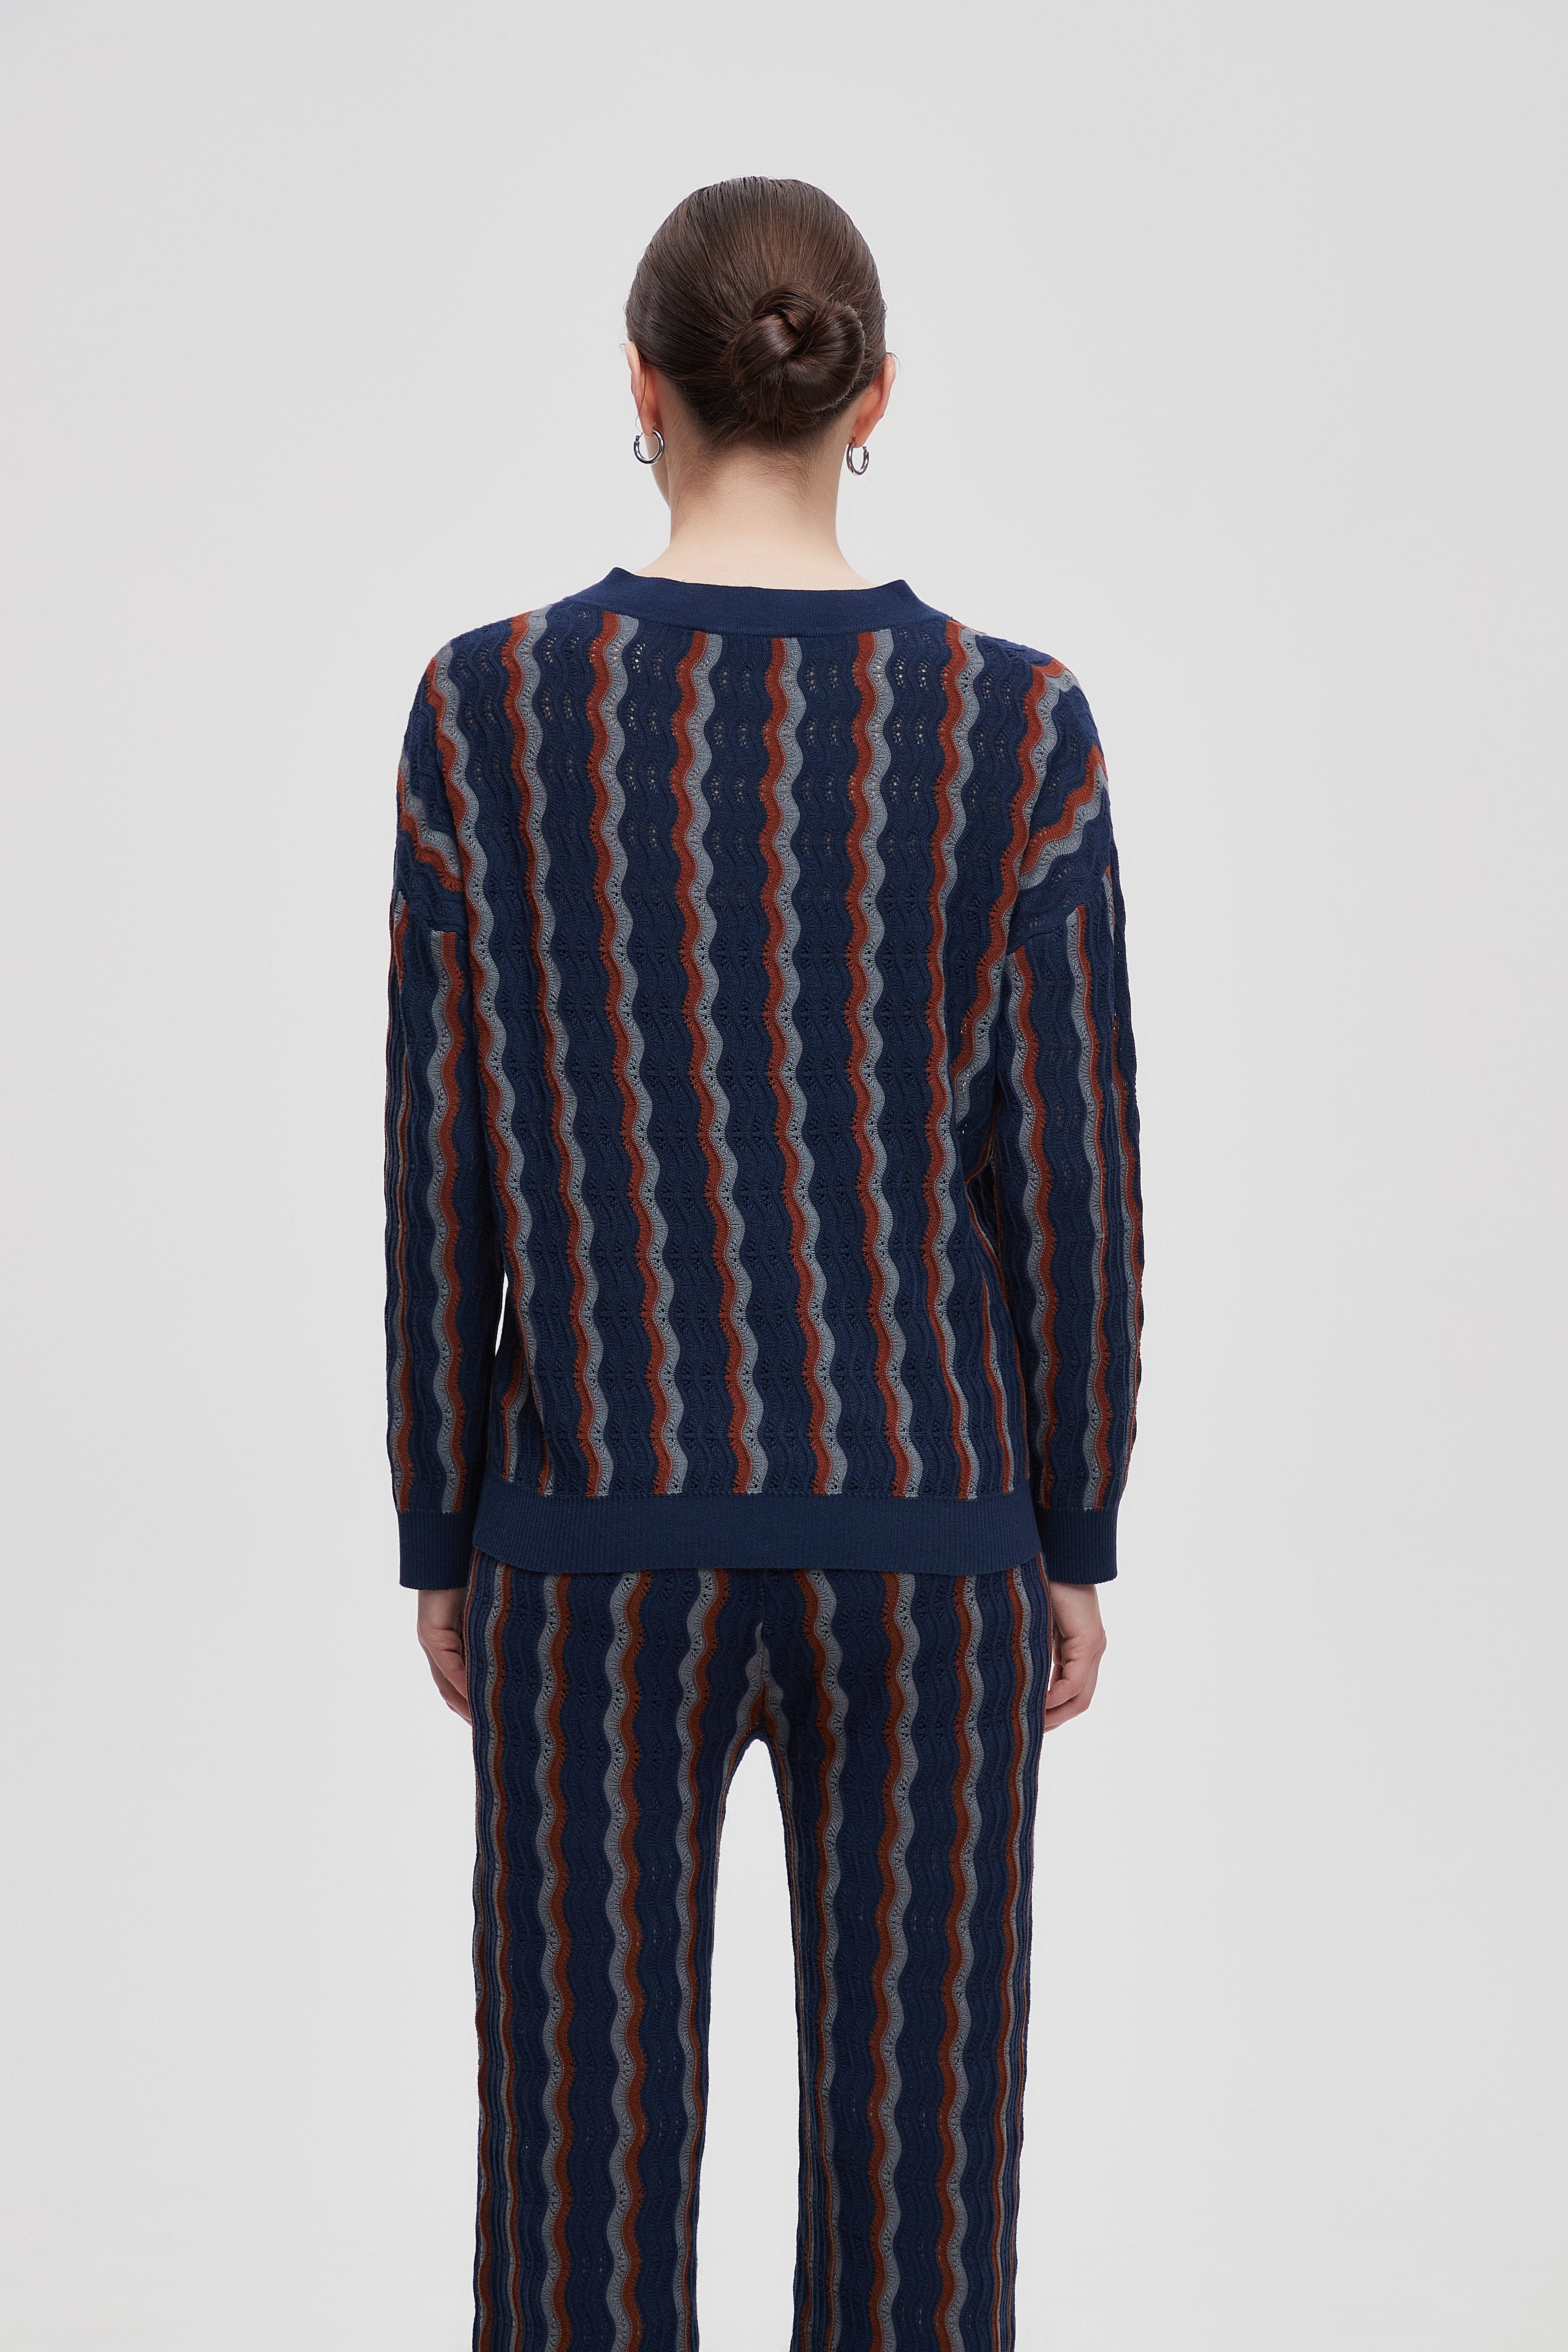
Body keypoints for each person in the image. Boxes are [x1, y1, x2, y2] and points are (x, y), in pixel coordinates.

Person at [383, 175, 1143, 2352]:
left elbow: (439, 1150)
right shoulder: (1015, 726)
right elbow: (1070, 1169)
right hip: (928, 1536)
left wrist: (445, 1520)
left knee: (574, 2206)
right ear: (871, 398)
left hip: (589, 1537)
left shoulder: (487, 711)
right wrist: (1067, 1522)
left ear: (641, 388)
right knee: (924, 2219)